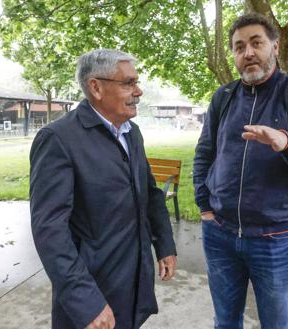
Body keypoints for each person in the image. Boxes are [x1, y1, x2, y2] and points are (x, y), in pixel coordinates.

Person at [193, 13, 288, 329]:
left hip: (274, 240)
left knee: (276, 324)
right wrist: (205, 207)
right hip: (219, 234)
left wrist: (287, 141)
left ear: (274, 45)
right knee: (225, 322)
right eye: (239, 46)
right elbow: (205, 154)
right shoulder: (223, 97)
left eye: (256, 43)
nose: (248, 53)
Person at [30, 49, 177, 329]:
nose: (139, 91)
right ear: (96, 87)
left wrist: (165, 244)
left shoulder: (131, 132)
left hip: (133, 283)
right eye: (128, 83)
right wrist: (85, 302)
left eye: (136, 82)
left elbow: (150, 194)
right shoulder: (58, 139)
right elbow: (50, 230)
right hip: (94, 292)